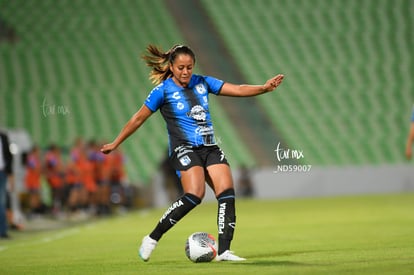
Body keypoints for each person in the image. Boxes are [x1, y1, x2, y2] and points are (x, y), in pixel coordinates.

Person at [101, 44, 284, 262]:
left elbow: (237, 89)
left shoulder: (203, 82)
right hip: (184, 149)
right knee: (195, 195)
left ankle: (224, 251)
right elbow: (138, 118)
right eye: (180, 67)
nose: (185, 72)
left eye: (189, 67)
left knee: (227, 193)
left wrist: (263, 88)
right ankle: (152, 238)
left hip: (209, 147)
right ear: (171, 66)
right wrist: (116, 142)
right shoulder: (162, 91)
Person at [0, 130, 13, 239]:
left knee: (2, 202)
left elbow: (9, 157)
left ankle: (3, 231)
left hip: (2, 173)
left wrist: (10, 175)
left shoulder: (3, 137)